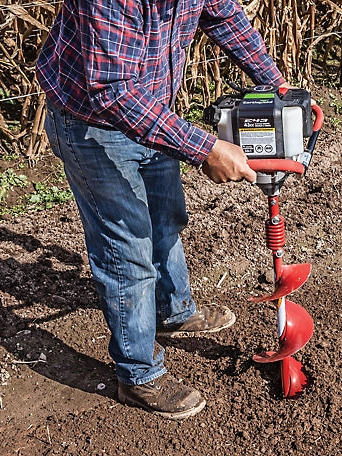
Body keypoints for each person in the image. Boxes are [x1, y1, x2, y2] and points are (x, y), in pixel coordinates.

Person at [36, 0, 290, 420]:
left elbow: (223, 14)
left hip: (153, 109)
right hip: (93, 125)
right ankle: (137, 375)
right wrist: (203, 148)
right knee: (127, 251)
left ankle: (173, 312)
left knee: (167, 217)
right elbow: (112, 92)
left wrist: (278, 89)